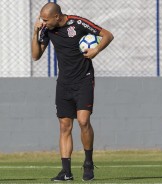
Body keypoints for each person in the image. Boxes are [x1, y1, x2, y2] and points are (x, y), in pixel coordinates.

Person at [31, 3, 114, 182]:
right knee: (64, 126)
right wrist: (35, 32)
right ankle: (66, 172)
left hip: (84, 80)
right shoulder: (46, 30)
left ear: (57, 17)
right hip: (64, 83)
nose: (42, 22)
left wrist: (96, 49)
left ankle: (88, 163)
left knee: (83, 121)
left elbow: (108, 35)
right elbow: (36, 55)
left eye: (45, 19)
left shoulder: (78, 24)